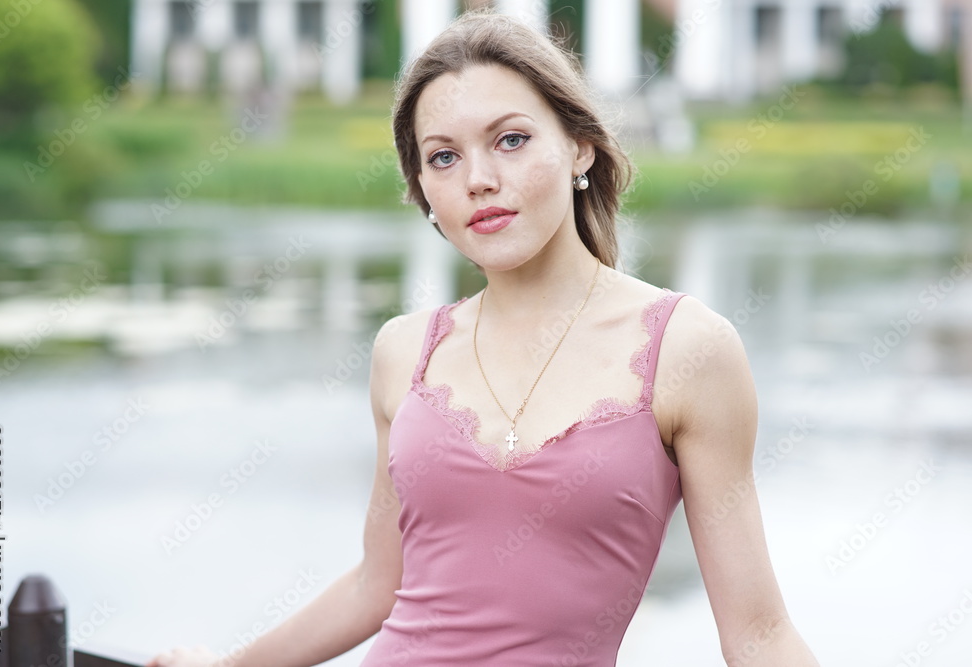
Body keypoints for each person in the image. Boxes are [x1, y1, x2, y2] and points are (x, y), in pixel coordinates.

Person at [148, 10, 819, 667]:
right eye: (443, 157)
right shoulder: (402, 352)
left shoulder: (689, 350)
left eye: (511, 140)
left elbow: (758, 636)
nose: (479, 180)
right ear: (422, 190)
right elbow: (374, 587)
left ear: (579, 144)